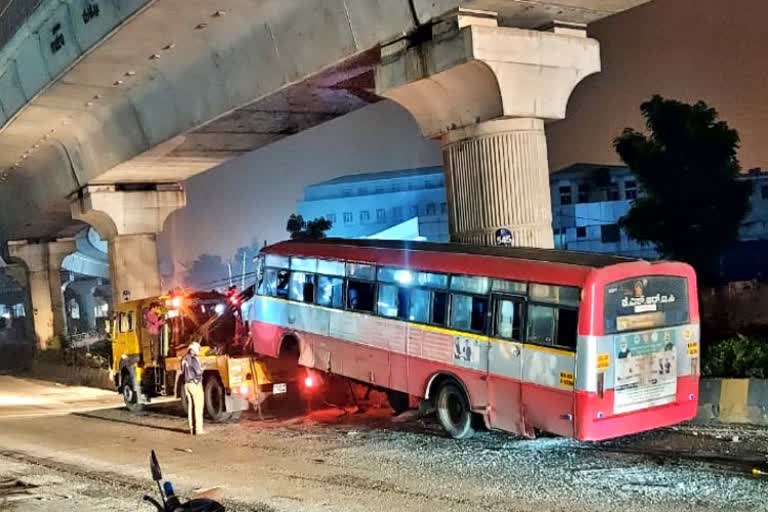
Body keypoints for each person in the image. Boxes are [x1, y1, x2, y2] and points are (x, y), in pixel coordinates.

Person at [182, 342, 205, 435]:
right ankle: (199, 430)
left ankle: (192, 429)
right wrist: (203, 368)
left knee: (191, 407)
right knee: (198, 407)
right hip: (195, 384)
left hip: (187, 384)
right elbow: (198, 372)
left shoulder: (184, 359)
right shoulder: (194, 359)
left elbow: (183, 371)